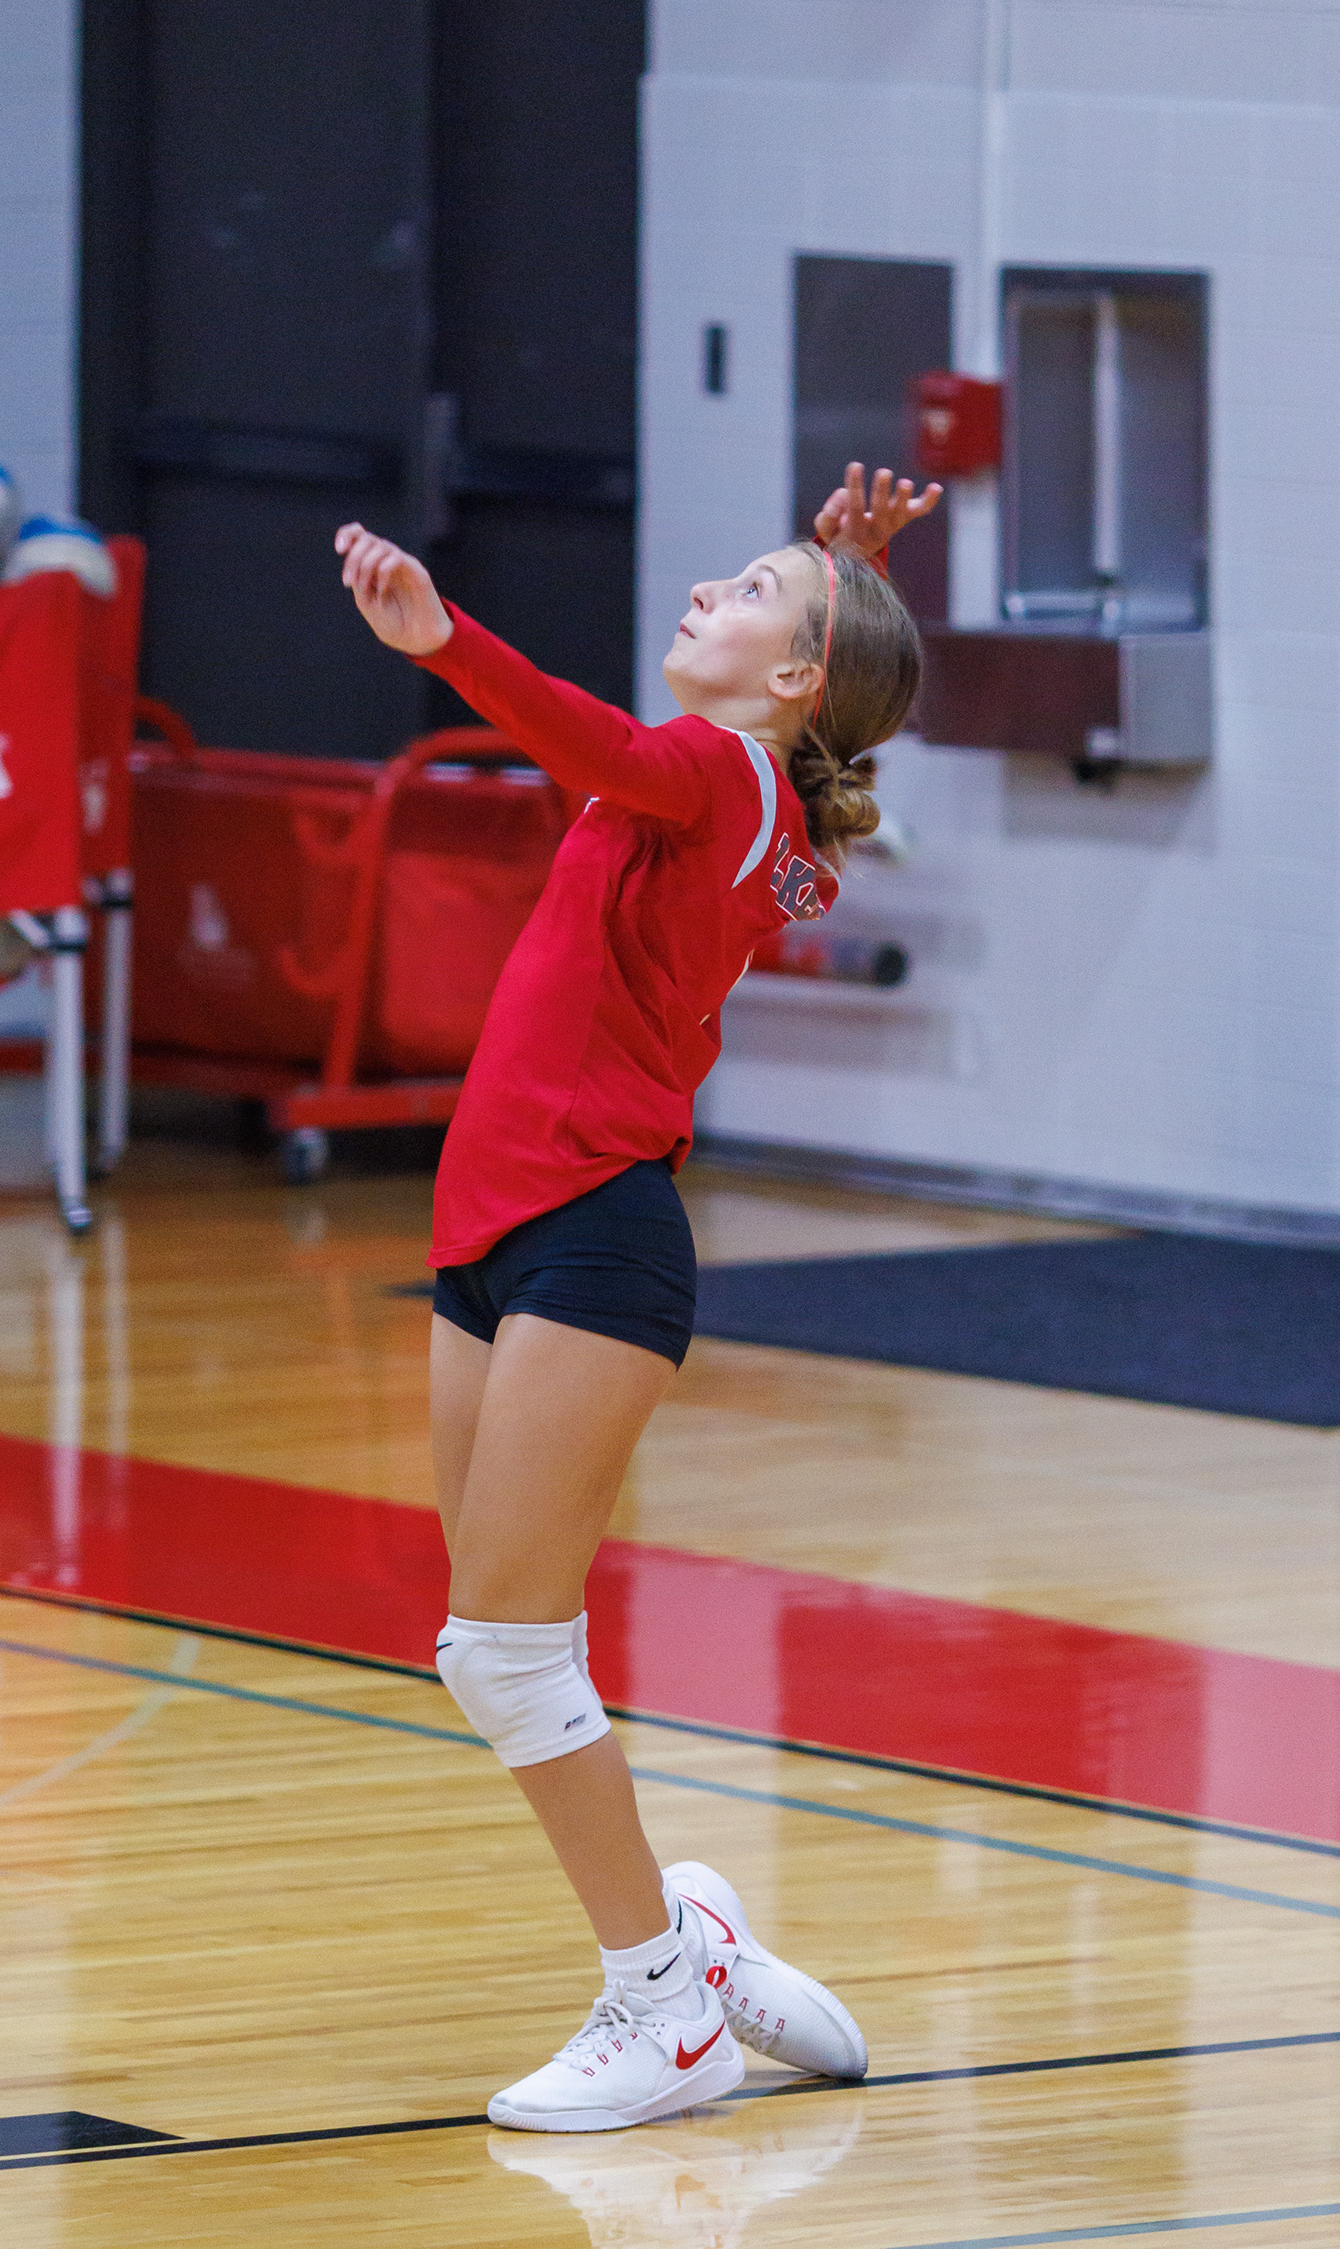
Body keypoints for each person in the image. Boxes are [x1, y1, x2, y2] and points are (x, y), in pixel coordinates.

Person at [335, 463, 939, 2133]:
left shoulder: (715, 772)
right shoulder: (763, 795)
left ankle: (663, 2007)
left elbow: (594, 739)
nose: (705, 592)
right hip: (491, 1226)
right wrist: (841, 573)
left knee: (504, 1649)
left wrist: (445, 640)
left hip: (593, 1234)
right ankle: (690, 1942)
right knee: (492, 1651)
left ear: (793, 675)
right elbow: (817, 722)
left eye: (748, 592)